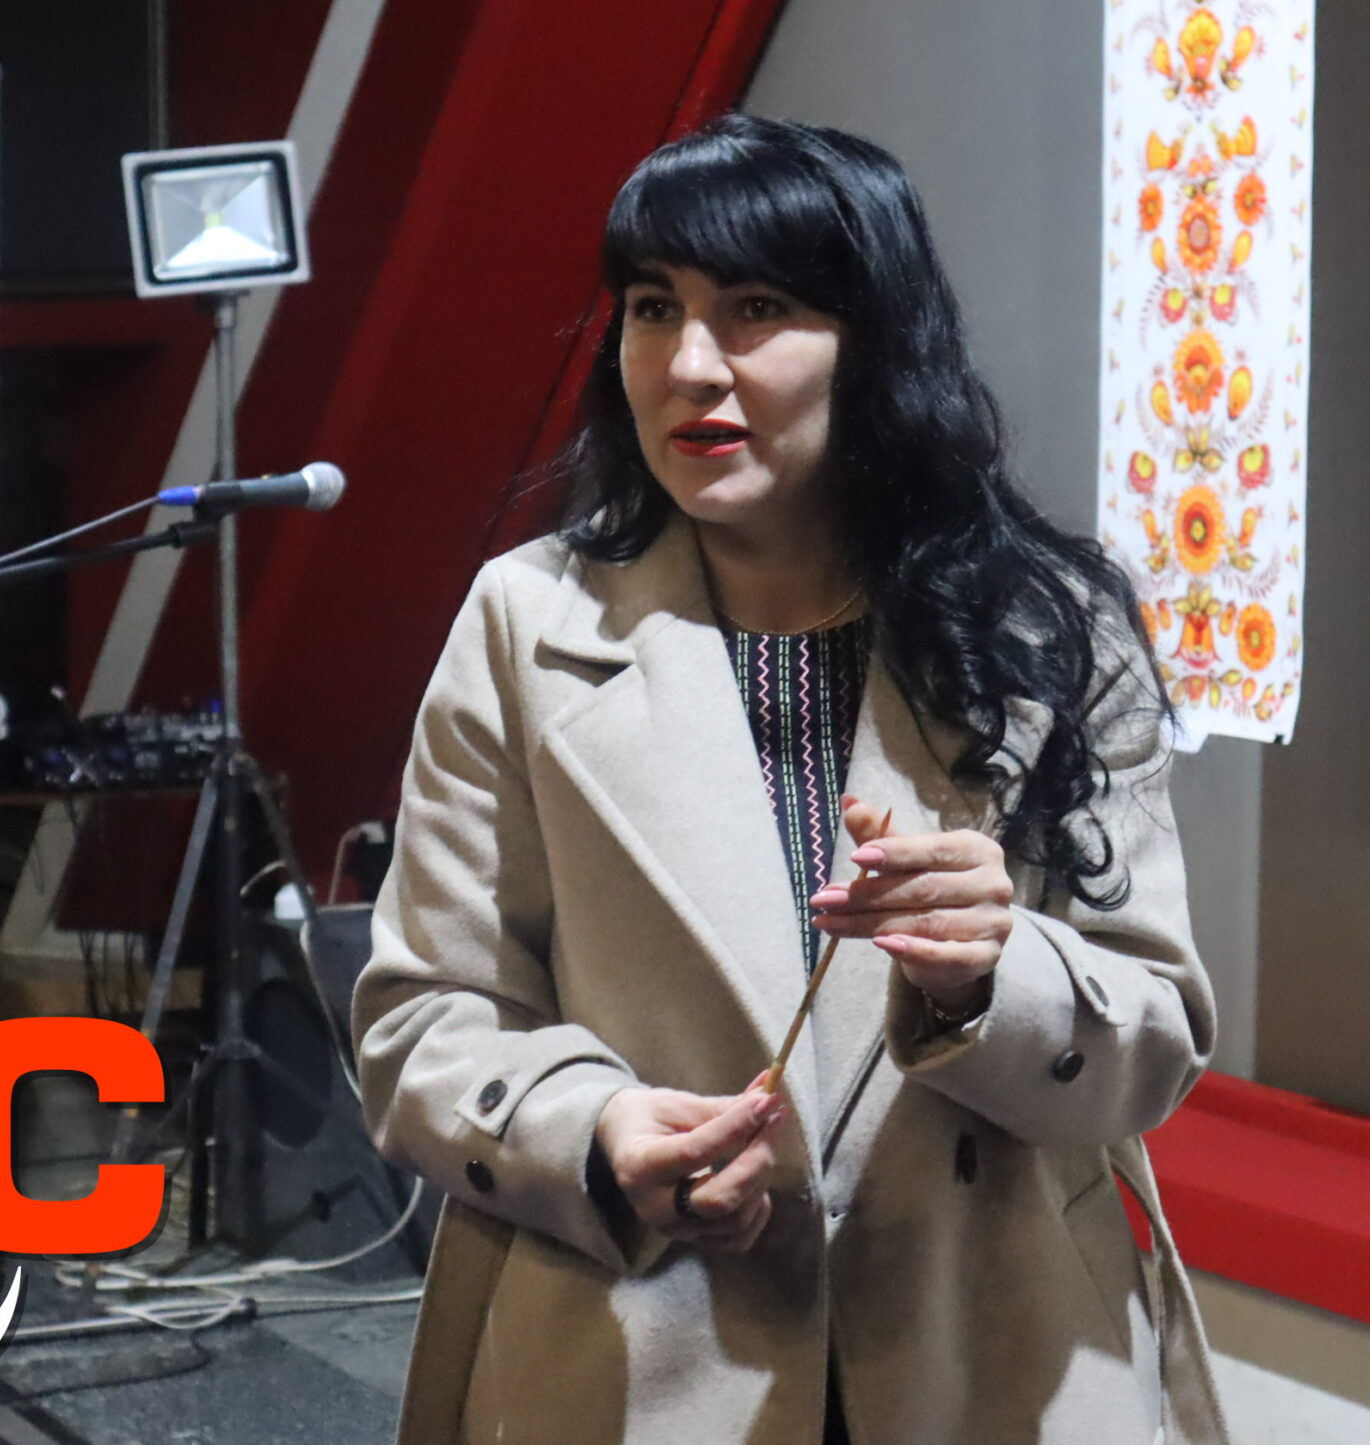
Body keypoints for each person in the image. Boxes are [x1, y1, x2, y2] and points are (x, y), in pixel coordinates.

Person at [354, 115, 1224, 1444]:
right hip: (640, 1356)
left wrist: (990, 976)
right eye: (654, 308)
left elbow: (1153, 1040)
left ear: (876, 342)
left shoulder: (1051, 629)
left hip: (987, 1353)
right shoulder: (527, 623)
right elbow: (423, 1019)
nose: (690, 364)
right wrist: (596, 1129)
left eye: (756, 308)